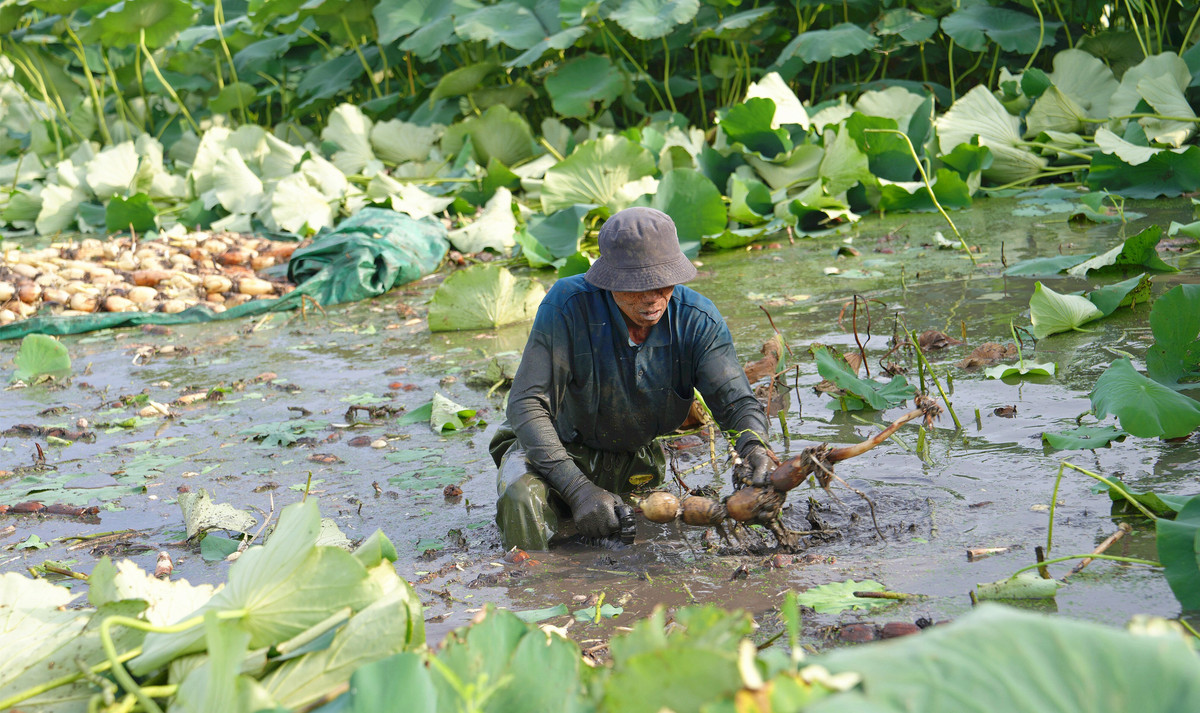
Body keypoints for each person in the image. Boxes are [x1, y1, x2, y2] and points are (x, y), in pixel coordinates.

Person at [489, 206, 773, 550]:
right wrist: (577, 489)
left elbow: (736, 402)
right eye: (637, 285)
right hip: (552, 452)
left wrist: (754, 446)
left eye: (662, 281)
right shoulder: (567, 306)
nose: (652, 296)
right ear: (608, 281)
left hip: (632, 461)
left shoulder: (697, 320)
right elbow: (526, 404)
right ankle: (534, 588)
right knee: (522, 499)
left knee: (633, 548)